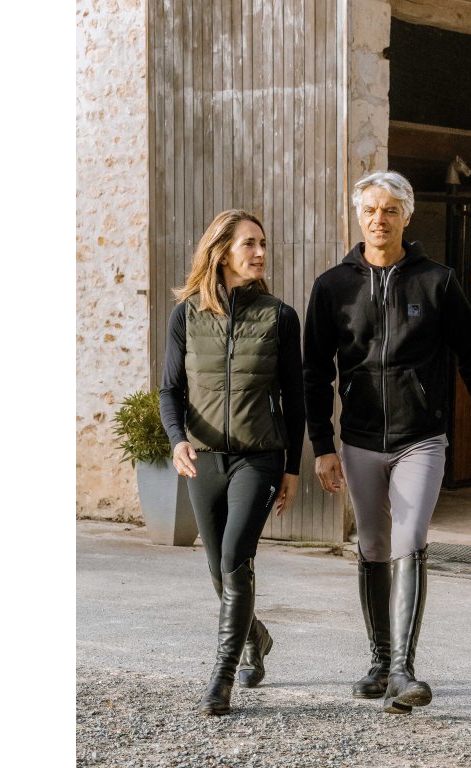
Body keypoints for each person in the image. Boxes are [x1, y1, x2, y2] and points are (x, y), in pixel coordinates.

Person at [302, 171, 471, 715]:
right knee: (372, 545)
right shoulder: (332, 286)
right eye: (370, 209)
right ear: (358, 216)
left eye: (390, 209)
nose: (379, 219)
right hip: (360, 439)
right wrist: (323, 443)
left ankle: (402, 671)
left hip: (421, 438)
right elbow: (314, 371)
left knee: (409, 540)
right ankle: (378, 661)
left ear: (406, 217)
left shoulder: (437, 281)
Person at [159, 209, 304, 716]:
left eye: (263, 243)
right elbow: (170, 390)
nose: (260, 252)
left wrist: (291, 468)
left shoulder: (279, 316)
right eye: (249, 244)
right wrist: (177, 440)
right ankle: (255, 636)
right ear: (221, 251)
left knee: (236, 558)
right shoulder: (186, 315)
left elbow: (295, 399)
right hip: (203, 459)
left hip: (258, 458)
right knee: (218, 570)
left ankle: (221, 678)